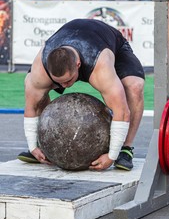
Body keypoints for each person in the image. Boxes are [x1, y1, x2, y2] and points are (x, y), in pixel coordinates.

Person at [18, 19, 145, 171]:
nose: (64, 86)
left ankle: (125, 149)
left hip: (109, 44)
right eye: (59, 82)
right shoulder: (42, 68)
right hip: (72, 39)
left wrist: (112, 155)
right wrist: (32, 146)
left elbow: (121, 112)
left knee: (134, 86)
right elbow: (31, 106)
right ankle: (43, 143)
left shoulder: (100, 65)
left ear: (78, 65)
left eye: (68, 81)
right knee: (33, 86)